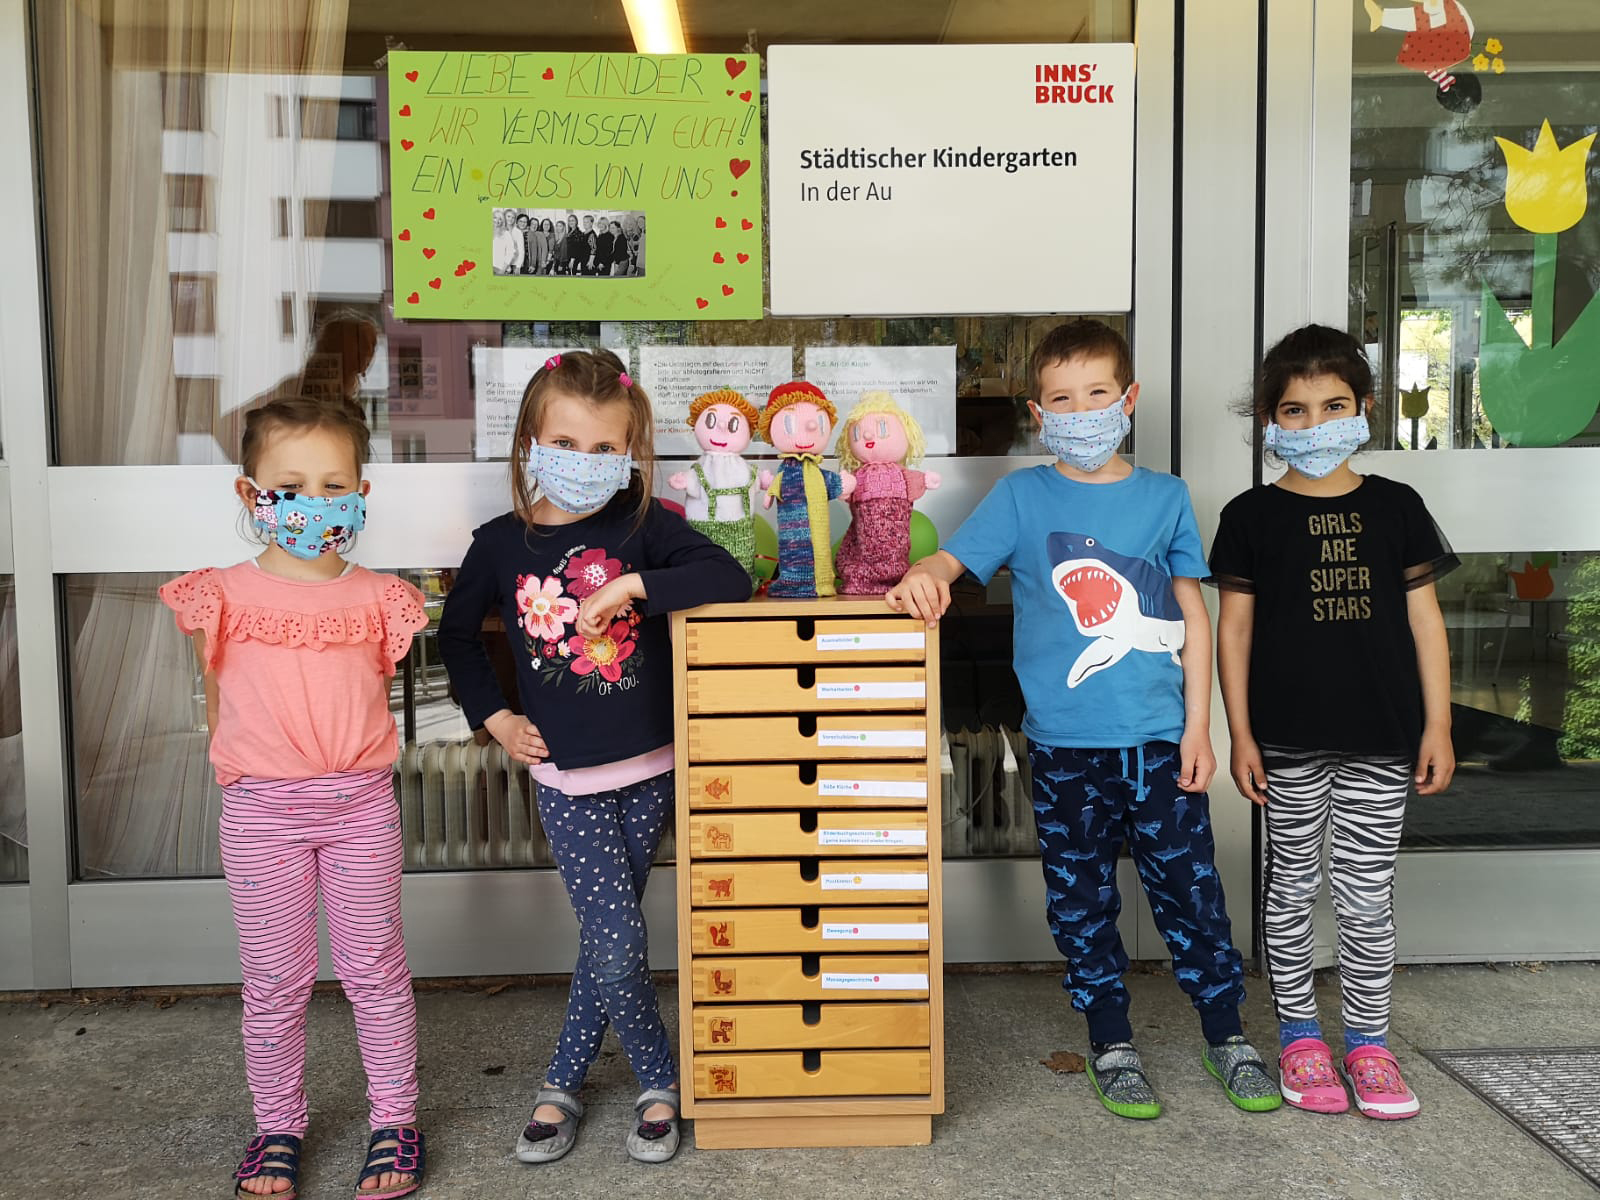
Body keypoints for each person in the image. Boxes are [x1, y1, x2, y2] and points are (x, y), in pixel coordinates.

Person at [886, 319, 1279, 1119]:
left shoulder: (1165, 496)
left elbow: (1192, 619)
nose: (1082, 410)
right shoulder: (1022, 496)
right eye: (1063, 399)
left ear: (1128, 399)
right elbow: (951, 562)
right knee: (1080, 902)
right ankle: (1110, 1040)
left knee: (1191, 895)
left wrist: (1198, 726)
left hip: (1160, 745)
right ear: (1039, 411)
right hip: (1066, 752)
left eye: (1098, 393)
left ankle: (1226, 1035)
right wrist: (923, 573)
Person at [437, 351, 750, 1165]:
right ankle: (660, 1080)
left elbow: (731, 576)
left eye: (606, 450)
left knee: (605, 939)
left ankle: (562, 1083)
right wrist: (497, 719)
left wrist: (635, 586)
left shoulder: (641, 525)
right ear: (531, 444)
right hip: (566, 780)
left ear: (632, 455)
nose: (585, 463)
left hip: (651, 767)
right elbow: (458, 638)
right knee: (616, 939)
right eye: (566, 443)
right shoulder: (500, 546)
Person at [159, 396, 429, 1198]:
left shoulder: (383, 597)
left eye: (331, 484)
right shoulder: (220, 595)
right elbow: (219, 698)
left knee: (375, 968)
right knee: (274, 981)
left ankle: (395, 1119)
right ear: (252, 495)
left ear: (360, 494)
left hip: (358, 807)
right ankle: (277, 1125)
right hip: (261, 815)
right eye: (292, 485)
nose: (313, 501)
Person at [1210, 324, 1457, 1119]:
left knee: (1364, 892)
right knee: (1288, 890)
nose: (1314, 425)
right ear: (1269, 422)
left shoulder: (1398, 507)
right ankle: (1299, 1038)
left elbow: (1426, 622)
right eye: (1294, 410)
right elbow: (1234, 630)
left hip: (1383, 737)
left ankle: (1368, 1044)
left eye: (1333, 406)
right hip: (1283, 738)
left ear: (1366, 410)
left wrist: (1439, 726)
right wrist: (1239, 733)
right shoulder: (1249, 516)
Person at [494, 209, 523, 275]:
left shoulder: (518, 232)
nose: (511, 219)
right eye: (508, 216)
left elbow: (521, 251)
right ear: (504, 217)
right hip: (500, 264)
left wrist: (518, 267)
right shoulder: (499, 230)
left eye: (513, 217)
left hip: (514, 264)